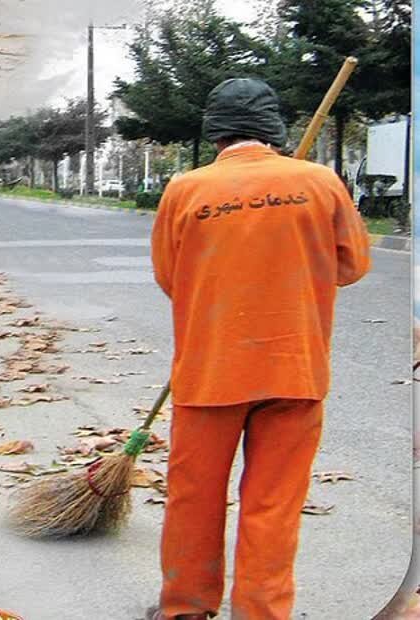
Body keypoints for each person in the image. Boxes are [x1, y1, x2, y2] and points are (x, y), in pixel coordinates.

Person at [147, 78, 371, 620]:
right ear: (275, 129)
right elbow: (352, 266)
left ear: (215, 133)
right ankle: (261, 612)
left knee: (194, 498)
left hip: (209, 373)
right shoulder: (320, 183)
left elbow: (170, 276)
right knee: (274, 504)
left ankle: (186, 607)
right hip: (295, 371)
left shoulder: (186, 189)